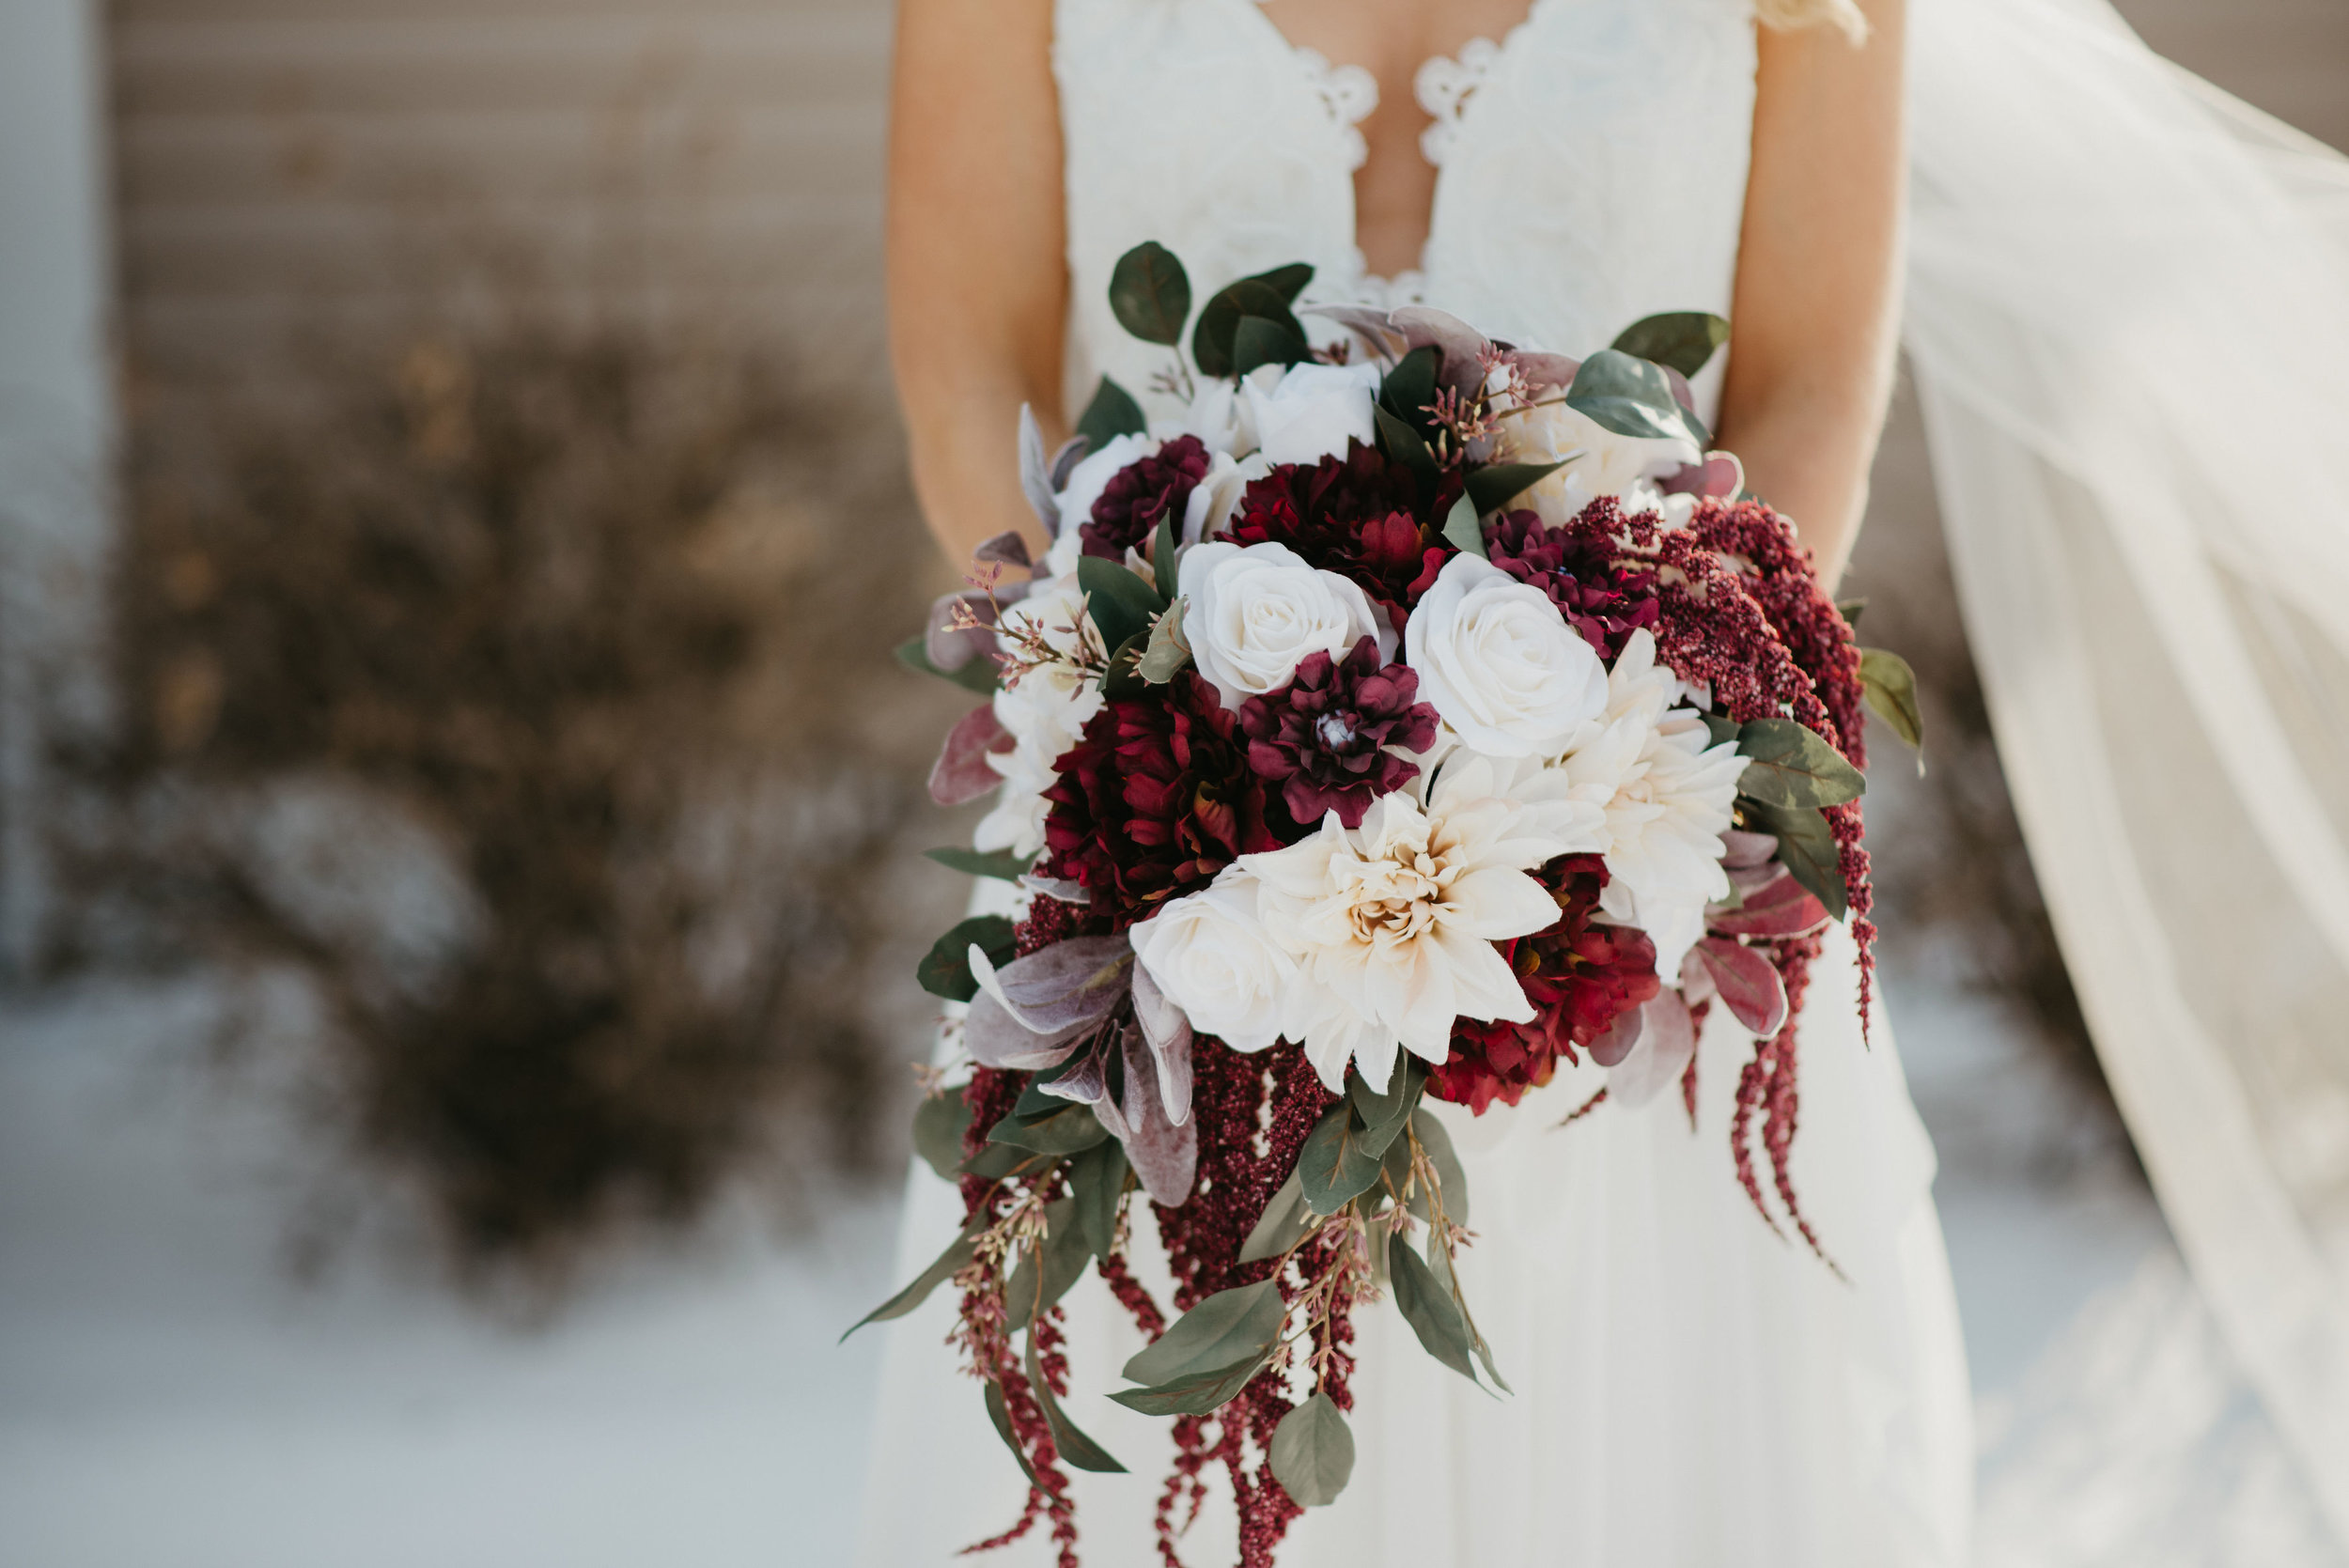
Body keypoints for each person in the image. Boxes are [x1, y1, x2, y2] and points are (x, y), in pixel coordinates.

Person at [859, 3, 1978, 1564]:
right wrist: (1142, 706)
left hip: (1637, 860)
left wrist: (1598, 756)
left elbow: (1809, 394)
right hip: (1152, 866)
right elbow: (964, 378)